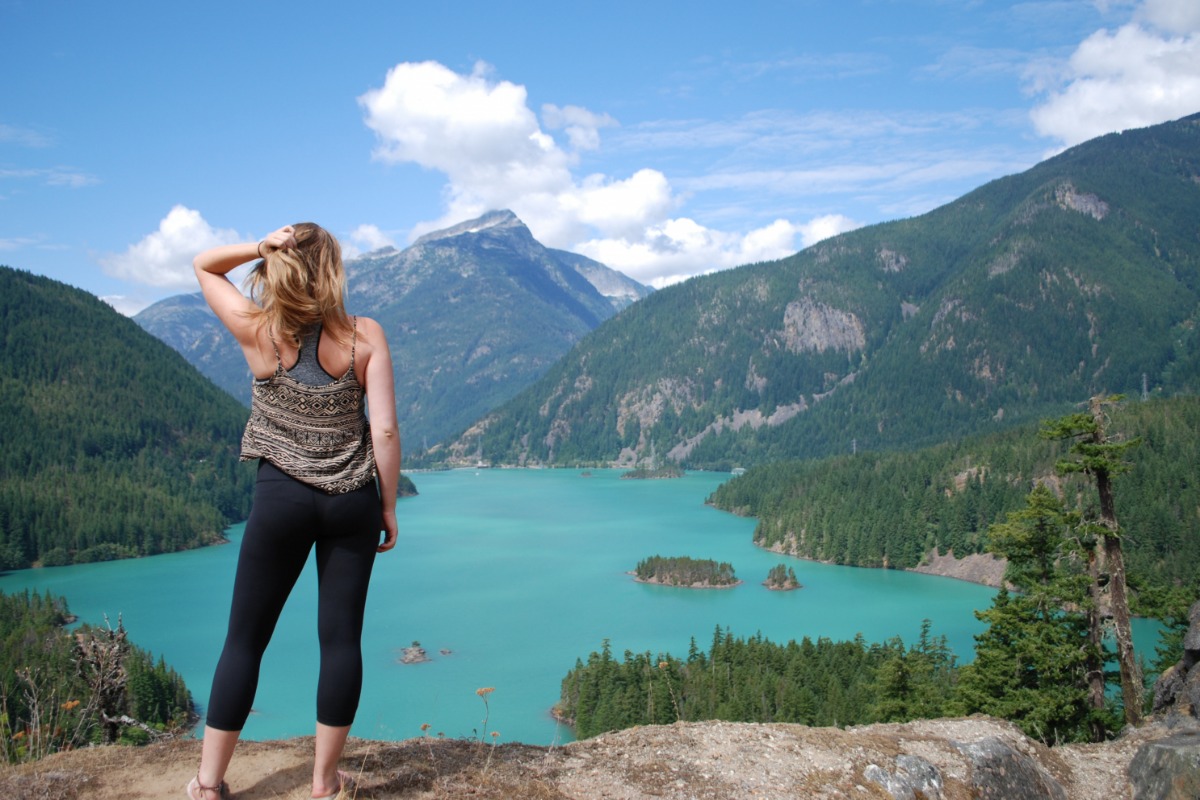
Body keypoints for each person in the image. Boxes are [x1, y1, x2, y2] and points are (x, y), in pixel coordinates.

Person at [187, 223, 400, 800]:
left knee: (244, 641)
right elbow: (381, 428)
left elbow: (205, 265)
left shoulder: (259, 331)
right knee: (340, 642)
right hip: (351, 501)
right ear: (333, 270)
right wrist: (386, 505)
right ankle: (324, 782)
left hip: (279, 499)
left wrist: (259, 246)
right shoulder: (364, 336)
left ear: (279, 265)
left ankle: (208, 784)